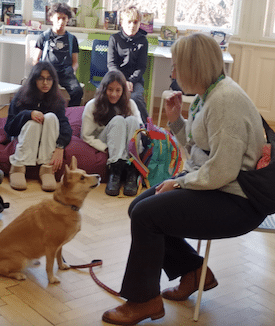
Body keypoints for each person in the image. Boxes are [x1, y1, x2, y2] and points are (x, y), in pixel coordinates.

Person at [102, 33, 267, 325]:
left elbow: (222, 171)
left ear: (195, 67)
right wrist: (177, 120)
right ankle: (193, 273)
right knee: (138, 207)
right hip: (219, 187)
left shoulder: (225, 101)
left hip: (238, 200)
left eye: (177, 66)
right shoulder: (209, 95)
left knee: (145, 214)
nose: (173, 72)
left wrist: (179, 182)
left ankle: (144, 301)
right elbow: (201, 153)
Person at [4, 61, 72, 192]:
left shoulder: (57, 100)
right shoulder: (20, 97)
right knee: (33, 123)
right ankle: (18, 167)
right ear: (34, 80)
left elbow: (65, 125)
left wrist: (60, 147)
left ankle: (47, 168)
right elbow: (9, 128)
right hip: (23, 136)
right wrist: (28, 114)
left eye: (49, 79)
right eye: (41, 78)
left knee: (51, 117)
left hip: (46, 140)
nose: (45, 83)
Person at [81, 70, 143, 197]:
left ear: (123, 91)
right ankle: (115, 171)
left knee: (132, 120)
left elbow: (140, 129)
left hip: (128, 145)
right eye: (110, 89)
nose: (114, 94)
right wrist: (105, 147)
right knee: (118, 119)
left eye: (118, 90)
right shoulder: (92, 105)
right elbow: (86, 135)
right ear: (104, 89)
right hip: (105, 140)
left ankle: (132, 170)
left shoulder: (130, 104)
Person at [34, 2, 83, 107]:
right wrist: (41, 74)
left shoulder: (72, 39)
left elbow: (75, 62)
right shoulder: (44, 37)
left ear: (67, 20)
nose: (61, 21)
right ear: (51, 18)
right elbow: (35, 60)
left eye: (64, 18)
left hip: (66, 73)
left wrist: (72, 70)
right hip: (48, 73)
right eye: (58, 18)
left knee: (77, 91)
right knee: (45, 95)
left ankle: (71, 115)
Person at [107, 6, 149, 124]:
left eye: (135, 22)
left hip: (134, 80)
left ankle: (146, 129)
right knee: (107, 96)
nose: (132, 25)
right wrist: (122, 81)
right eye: (129, 22)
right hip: (115, 77)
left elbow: (141, 67)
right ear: (122, 23)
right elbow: (111, 64)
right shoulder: (114, 38)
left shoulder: (143, 41)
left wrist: (130, 81)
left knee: (136, 98)